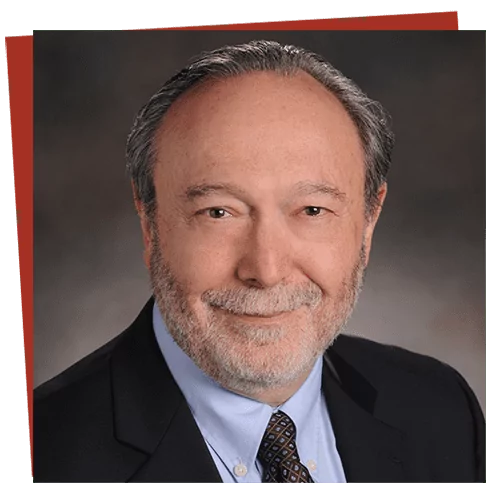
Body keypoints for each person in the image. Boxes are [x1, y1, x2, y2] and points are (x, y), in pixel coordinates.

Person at [33, 40, 486, 485]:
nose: (266, 271)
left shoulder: (441, 410)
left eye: (312, 210)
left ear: (368, 222)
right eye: (218, 212)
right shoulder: (33, 460)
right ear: (150, 224)